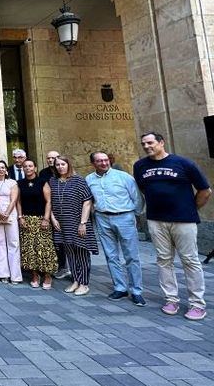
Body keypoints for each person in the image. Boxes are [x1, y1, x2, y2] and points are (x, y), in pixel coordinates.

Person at [133, 132, 211, 320]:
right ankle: (171, 299)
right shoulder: (140, 166)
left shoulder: (184, 164)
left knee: (190, 260)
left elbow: (205, 190)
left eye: (150, 142)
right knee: (164, 259)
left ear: (161, 142)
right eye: (143, 143)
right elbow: (144, 188)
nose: (146, 146)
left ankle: (197, 303)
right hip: (156, 220)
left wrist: (191, 208)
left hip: (183, 220)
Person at [86, 151, 145, 306]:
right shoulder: (89, 179)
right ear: (93, 163)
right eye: (99, 161)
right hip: (102, 217)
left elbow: (137, 197)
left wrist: (135, 215)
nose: (104, 163)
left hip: (124, 216)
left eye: (105, 160)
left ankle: (136, 290)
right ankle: (120, 287)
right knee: (111, 255)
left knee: (131, 256)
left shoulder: (124, 177)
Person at [45, 155, 97, 296]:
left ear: (68, 165)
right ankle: (75, 280)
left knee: (81, 252)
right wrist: (53, 218)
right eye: (57, 165)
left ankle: (84, 283)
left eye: (63, 164)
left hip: (77, 222)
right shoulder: (53, 181)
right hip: (61, 224)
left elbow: (87, 201)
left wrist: (83, 223)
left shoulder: (78, 180)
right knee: (70, 254)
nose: (60, 167)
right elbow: (51, 201)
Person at [16, 160, 57, 289]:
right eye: (25, 167)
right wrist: (20, 217)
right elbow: (18, 202)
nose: (28, 168)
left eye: (30, 166)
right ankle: (34, 275)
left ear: (35, 168)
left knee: (44, 247)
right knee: (29, 249)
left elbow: (48, 201)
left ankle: (47, 275)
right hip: (26, 219)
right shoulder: (19, 183)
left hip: (41, 219)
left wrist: (46, 218)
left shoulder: (42, 182)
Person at [0, 160, 22, 284]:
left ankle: (15, 275)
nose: (1, 169)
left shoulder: (12, 183)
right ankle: (3, 274)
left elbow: (14, 200)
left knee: (13, 243)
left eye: (3, 167)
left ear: (6, 169)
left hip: (10, 212)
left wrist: (6, 213)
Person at [39, 150, 69, 280]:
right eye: (48, 158)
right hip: (50, 210)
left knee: (67, 240)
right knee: (55, 240)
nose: (51, 160)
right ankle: (58, 265)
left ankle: (67, 267)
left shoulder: (67, 174)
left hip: (66, 211)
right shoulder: (44, 173)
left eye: (53, 158)